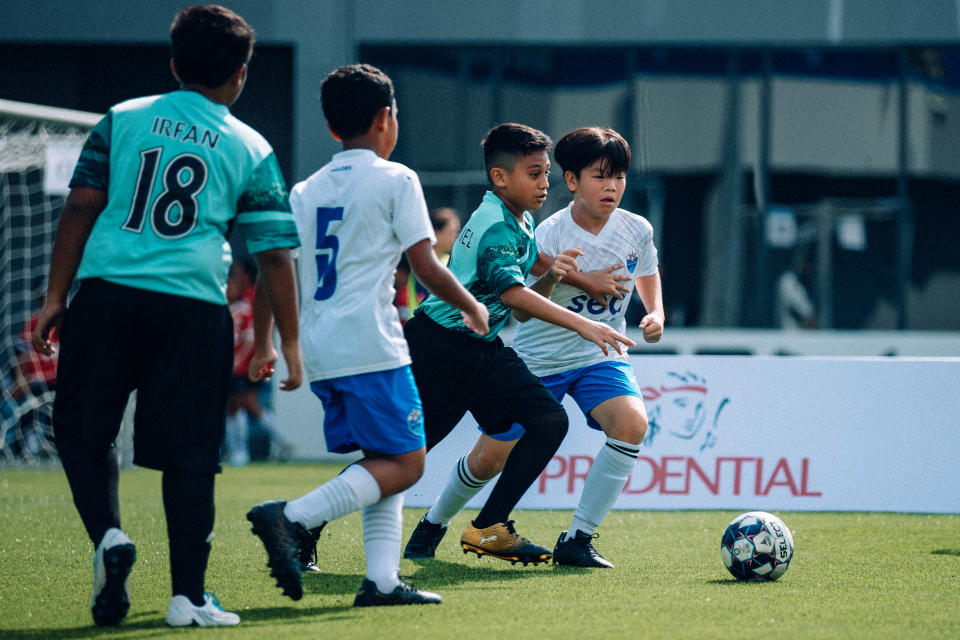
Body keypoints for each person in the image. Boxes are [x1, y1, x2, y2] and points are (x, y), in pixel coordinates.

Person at [30, 5, 302, 628]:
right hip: (192, 310)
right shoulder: (250, 145)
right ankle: (188, 598)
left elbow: (79, 209)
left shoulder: (122, 119)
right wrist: (287, 342)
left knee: (81, 432)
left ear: (174, 65)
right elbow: (274, 256)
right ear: (241, 73)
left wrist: (54, 299)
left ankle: (108, 537)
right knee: (189, 458)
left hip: (105, 298)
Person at [245, 63, 489, 607]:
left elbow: (271, 269)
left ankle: (381, 581)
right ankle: (291, 518)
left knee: (386, 459)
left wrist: (266, 343)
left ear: (333, 128)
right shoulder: (396, 178)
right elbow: (424, 264)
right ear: (386, 119)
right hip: (371, 342)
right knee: (409, 462)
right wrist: (472, 305)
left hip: (322, 345)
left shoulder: (305, 190)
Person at [404, 127, 663, 569]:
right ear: (572, 181)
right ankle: (434, 522)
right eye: (601, 176)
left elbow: (648, 272)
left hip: (598, 354)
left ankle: (578, 539)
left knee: (632, 425)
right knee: (488, 459)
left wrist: (655, 312)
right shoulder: (544, 230)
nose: (612, 187)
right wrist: (562, 283)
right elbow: (522, 307)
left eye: (619, 177)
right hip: (539, 358)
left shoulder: (636, 228)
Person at [224, 257, 292, 467]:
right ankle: (278, 443)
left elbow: (250, 336)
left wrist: (239, 359)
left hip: (244, 364)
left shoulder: (252, 300)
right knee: (244, 406)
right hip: (246, 361)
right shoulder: (243, 300)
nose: (232, 279)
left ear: (246, 276)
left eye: (235, 274)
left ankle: (241, 452)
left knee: (241, 405)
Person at [394, 207, 461, 323]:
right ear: (435, 233)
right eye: (451, 232)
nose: (455, 237)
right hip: (418, 328)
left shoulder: (451, 262)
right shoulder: (419, 262)